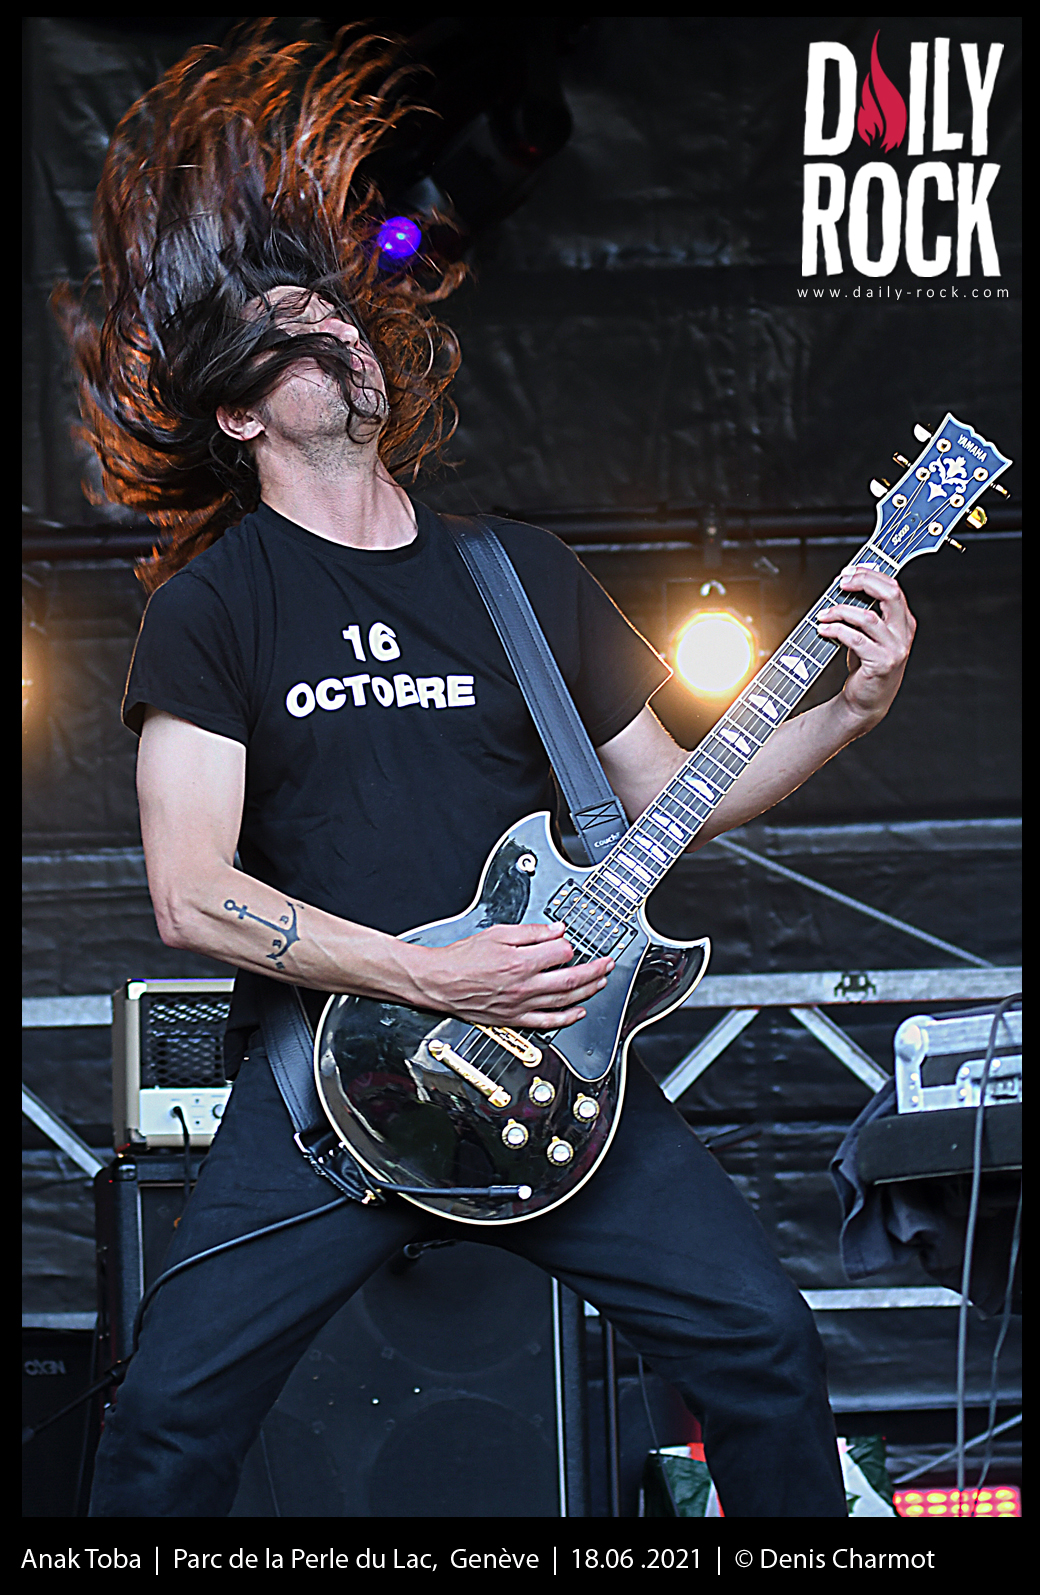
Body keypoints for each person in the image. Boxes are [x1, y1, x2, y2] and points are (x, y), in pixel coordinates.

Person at [60, 27, 916, 1518]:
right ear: (240, 415)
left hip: (553, 1081)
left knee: (765, 1347)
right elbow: (191, 897)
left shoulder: (513, 572)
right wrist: (424, 974)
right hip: (332, 1095)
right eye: (290, 332)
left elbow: (671, 795)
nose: (334, 331)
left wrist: (853, 708)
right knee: (166, 1429)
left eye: (337, 314)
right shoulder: (217, 606)